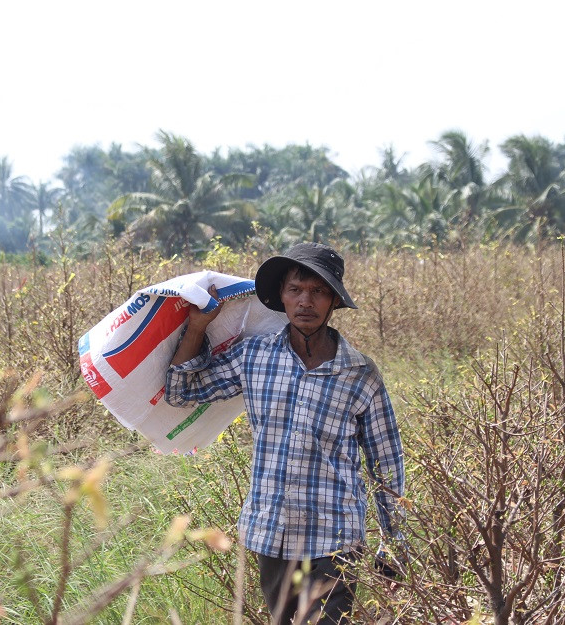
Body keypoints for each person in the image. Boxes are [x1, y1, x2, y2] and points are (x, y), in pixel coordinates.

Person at [165, 242, 405, 624]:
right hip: (271, 532)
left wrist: (395, 543)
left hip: (336, 537)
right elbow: (181, 392)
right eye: (296, 289)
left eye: (318, 291)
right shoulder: (254, 356)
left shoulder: (360, 374)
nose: (305, 301)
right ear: (281, 296)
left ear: (334, 301)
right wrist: (197, 326)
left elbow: (387, 463)